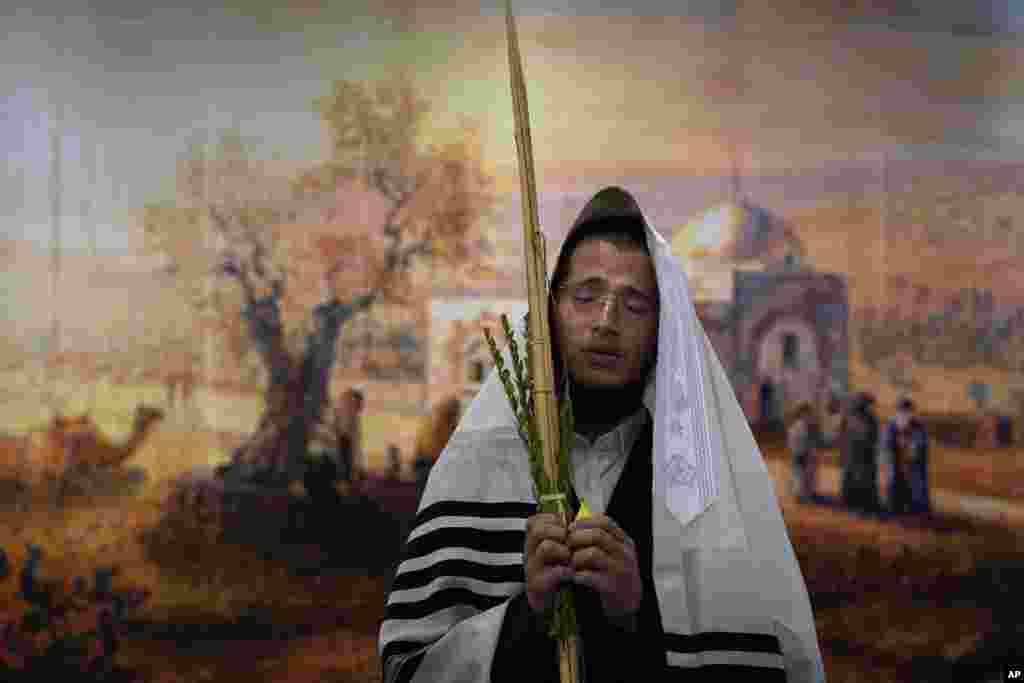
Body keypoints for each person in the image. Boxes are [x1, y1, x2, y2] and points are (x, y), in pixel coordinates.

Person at [378, 187, 824, 681]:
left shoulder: (705, 482)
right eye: (586, 296)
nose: (607, 321)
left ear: (664, 328)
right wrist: (528, 616)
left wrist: (637, 616)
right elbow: (411, 668)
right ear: (551, 313)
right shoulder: (482, 466)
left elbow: (749, 663)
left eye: (634, 304)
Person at [882, 398, 929, 515]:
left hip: (912, 463)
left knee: (916, 481)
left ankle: (916, 507)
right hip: (896, 461)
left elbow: (920, 445)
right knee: (893, 478)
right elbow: (886, 446)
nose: (904, 414)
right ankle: (894, 505)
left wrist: (912, 451)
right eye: (901, 411)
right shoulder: (891, 425)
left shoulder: (918, 426)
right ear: (897, 412)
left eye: (907, 411)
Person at [839, 392, 881, 515]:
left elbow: (873, 436)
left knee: (863, 480)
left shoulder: (867, 417)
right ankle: (860, 506)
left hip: (862, 455)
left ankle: (863, 505)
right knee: (859, 480)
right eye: (868, 404)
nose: (870, 406)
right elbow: (844, 435)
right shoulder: (858, 417)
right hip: (857, 455)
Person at [786, 401, 824, 502]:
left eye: (810, 412)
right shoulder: (798, 426)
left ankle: (806, 493)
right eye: (807, 412)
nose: (810, 415)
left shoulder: (805, 425)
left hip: (805, 454)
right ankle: (802, 494)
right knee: (801, 475)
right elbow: (798, 442)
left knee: (807, 475)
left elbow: (813, 440)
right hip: (801, 454)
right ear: (802, 413)